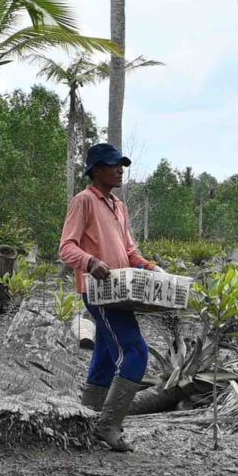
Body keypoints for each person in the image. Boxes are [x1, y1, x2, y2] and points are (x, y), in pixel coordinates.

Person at [58, 143, 162, 452]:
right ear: (96, 169)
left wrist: (147, 265)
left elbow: (129, 251)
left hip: (122, 293)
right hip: (100, 292)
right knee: (136, 352)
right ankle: (108, 425)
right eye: (114, 164)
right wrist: (91, 262)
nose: (120, 169)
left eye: (121, 165)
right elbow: (66, 247)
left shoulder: (119, 206)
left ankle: (86, 423)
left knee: (104, 356)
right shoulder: (84, 202)